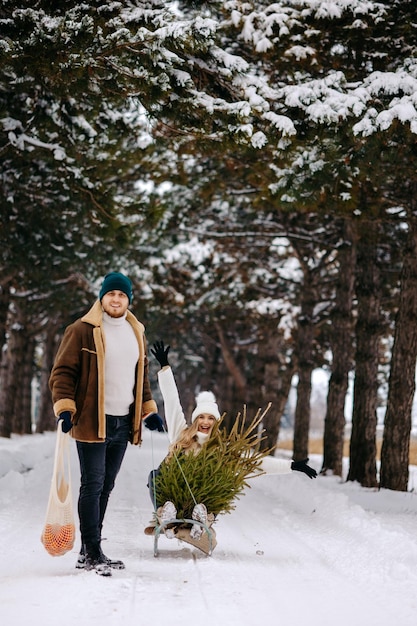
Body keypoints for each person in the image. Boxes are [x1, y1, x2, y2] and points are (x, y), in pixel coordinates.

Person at [49, 272, 163, 576]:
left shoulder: (135, 331)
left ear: (128, 300)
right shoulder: (82, 330)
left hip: (123, 422)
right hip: (90, 420)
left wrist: (148, 411)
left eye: (122, 295)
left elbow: (142, 379)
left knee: (106, 486)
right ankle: (93, 552)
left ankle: (89, 549)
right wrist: (65, 408)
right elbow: (62, 374)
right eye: (111, 294)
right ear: (102, 297)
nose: (116, 300)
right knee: (93, 483)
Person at [147, 341, 317, 544]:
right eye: (202, 417)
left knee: (222, 482)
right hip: (174, 494)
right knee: (155, 474)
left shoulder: (222, 449)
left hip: (202, 498)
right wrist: (165, 368)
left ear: (216, 422)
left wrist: (291, 465)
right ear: (195, 419)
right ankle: (165, 514)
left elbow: (254, 461)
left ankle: (202, 518)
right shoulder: (180, 434)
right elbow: (172, 401)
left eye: (211, 418)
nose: (205, 422)